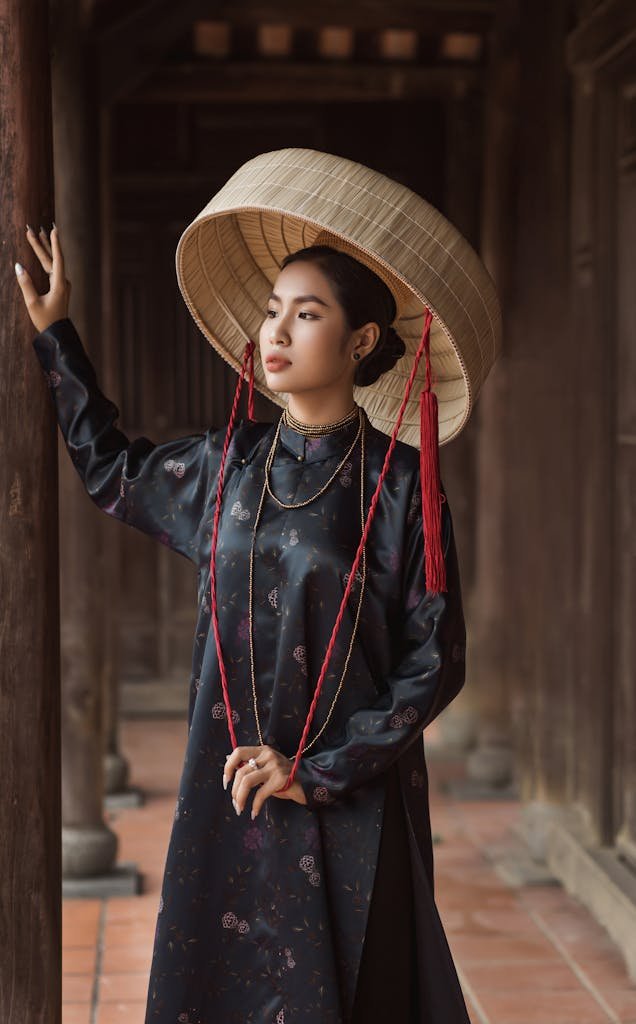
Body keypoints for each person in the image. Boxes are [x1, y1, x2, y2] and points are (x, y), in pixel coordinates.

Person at [16, 148, 500, 1023]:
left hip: (346, 802)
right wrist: (59, 336)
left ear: (359, 342)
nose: (274, 332)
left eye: (305, 314)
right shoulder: (228, 464)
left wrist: (317, 771)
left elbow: (438, 660)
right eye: (273, 311)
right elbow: (112, 472)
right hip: (230, 786)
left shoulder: (398, 486)